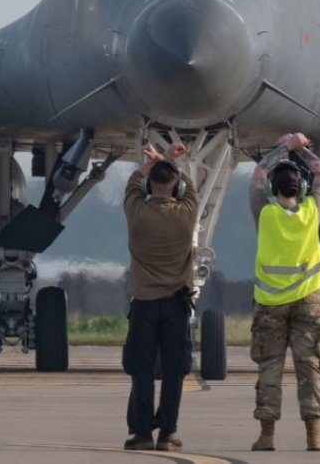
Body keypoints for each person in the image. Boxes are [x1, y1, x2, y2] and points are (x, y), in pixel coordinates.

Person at [247, 132, 320, 452]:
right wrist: (302, 149)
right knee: (308, 365)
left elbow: (257, 175)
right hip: (309, 300)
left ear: (272, 189)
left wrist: (281, 147)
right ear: (302, 189)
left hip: (270, 304)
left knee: (270, 366)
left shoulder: (264, 214)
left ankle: (267, 435)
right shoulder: (311, 211)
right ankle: (314, 435)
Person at [122, 141, 199, 451]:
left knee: (141, 369)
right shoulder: (186, 213)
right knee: (173, 371)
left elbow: (133, 184)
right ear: (176, 188)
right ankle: (167, 433)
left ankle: (141, 433)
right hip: (176, 305)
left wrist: (155, 162)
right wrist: (170, 162)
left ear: (149, 185)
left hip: (143, 304)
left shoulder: (136, 212)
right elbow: (189, 187)